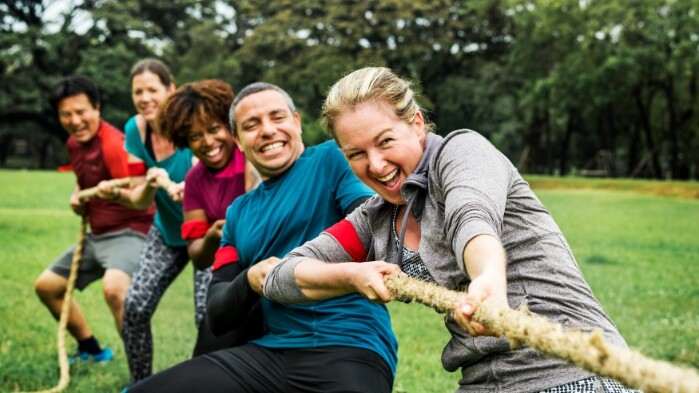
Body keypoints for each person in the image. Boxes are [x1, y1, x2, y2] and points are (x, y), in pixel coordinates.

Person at [264, 67, 640, 393]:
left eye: (385, 141)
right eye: (356, 154)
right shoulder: (374, 219)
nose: (376, 165)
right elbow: (281, 278)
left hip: (572, 372)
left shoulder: (462, 153)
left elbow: (471, 220)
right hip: (483, 383)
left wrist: (488, 281)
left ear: (415, 124)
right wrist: (352, 274)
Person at [128, 82, 397, 393]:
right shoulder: (238, 214)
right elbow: (216, 312)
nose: (268, 130)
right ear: (238, 141)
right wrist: (250, 280)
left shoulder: (331, 160)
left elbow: (373, 228)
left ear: (296, 122)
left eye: (277, 117)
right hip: (268, 356)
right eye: (251, 125)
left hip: (349, 346)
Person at [34, 75, 154, 364]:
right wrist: (78, 196)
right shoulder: (74, 144)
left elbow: (141, 197)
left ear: (97, 108)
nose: (75, 120)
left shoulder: (115, 144)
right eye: (66, 114)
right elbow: (85, 180)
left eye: (81, 111)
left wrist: (111, 195)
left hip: (130, 231)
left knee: (114, 289)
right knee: (47, 287)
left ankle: (143, 377)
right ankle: (92, 350)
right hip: (97, 235)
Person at [158, 79, 260, 355]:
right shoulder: (194, 181)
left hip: (270, 267)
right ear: (184, 141)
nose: (207, 142)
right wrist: (214, 236)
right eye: (195, 136)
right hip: (230, 269)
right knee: (210, 346)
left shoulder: (251, 155)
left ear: (230, 127)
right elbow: (198, 256)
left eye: (214, 129)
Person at [117, 58, 198, 386]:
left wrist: (191, 185)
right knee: (134, 307)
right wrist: (146, 185)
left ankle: (204, 385)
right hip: (166, 233)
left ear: (171, 90)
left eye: (152, 89)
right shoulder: (135, 130)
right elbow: (137, 199)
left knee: (208, 317)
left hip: (208, 233)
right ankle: (140, 385)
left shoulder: (193, 125)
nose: (145, 98)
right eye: (138, 92)